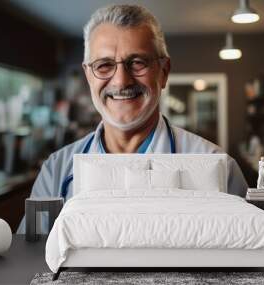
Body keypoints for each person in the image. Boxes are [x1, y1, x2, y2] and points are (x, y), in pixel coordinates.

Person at [17, 4, 248, 233]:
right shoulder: (57, 170)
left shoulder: (218, 167)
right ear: (89, 76)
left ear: (164, 72)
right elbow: (29, 262)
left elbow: (252, 262)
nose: (121, 81)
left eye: (137, 62)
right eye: (104, 65)